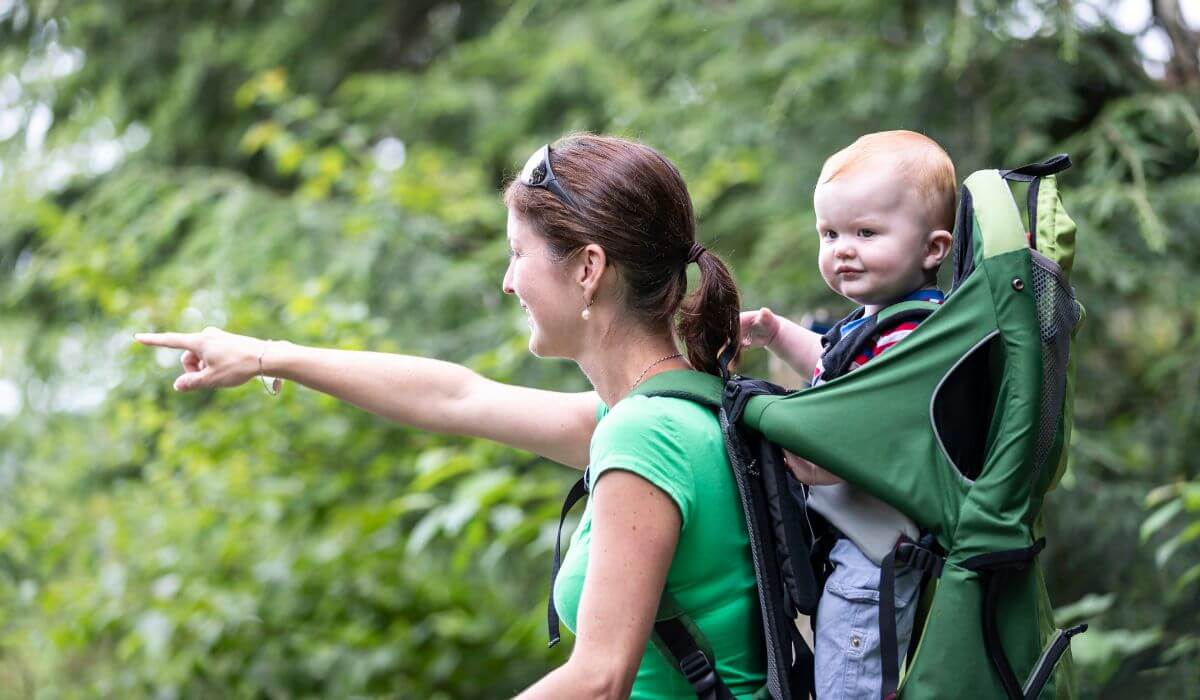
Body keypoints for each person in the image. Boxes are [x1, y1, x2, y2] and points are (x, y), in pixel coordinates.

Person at [136, 134, 766, 699]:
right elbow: (457, 398)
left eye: (518, 254)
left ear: (587, 269)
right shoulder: (675, 408)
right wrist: (268, 355)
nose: (507, 281)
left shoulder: (643, 435)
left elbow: (599, 681)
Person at [740, 130, 955, 699]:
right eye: (830, 233)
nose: (842, 249)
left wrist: (799, 449)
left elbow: (871, 432)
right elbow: (835, 370)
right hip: (855, 544)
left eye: (866, 232)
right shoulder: (877, 321)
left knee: (847, 685)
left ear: (933, 249)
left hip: (877, 553)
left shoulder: (915, 335)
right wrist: (777, 333)